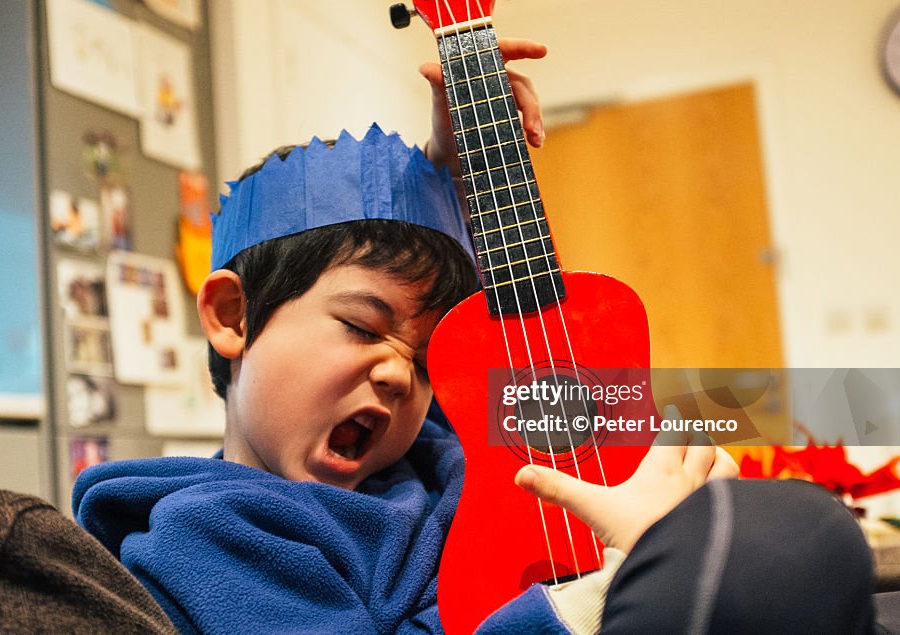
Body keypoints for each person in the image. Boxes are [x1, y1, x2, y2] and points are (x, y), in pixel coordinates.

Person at [73, 42, 877, 634]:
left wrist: (460, 173)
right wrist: (597, 594)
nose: (397, 372)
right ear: (231, 317)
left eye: (426, 358)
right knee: (795, 542)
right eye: (361, 326)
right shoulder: (211, 534)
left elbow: (564, 379)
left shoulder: (437, 457)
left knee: (804, 530)